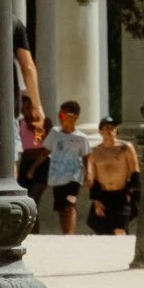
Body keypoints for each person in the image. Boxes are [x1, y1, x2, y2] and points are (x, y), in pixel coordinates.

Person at [83, 116, 141, 236]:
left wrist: (130, 193)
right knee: (104, 231)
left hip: (121, 194)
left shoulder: (125, 147)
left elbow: (135, 171)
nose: (110, 131)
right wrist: (96, 199)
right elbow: (92, 178)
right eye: (107, 128)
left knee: (120, 228)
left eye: (113, 128)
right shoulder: (95, 151)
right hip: (104, 195)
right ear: (100, 131)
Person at [46, 101, 91, 235]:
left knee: (70, 203)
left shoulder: (81, 138)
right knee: (61, 207)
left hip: (74, 176)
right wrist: (38, 134)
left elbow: (86, 157)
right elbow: (45, 149)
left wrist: (88, 174)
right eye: (59, 114)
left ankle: (70, 234)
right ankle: (65, 233)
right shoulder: (54, 132)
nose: (60, 118)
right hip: (56, 176)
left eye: (63, 115)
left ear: (74, 117)